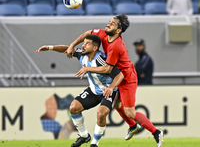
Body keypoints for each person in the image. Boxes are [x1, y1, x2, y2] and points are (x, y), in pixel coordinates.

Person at [65, 14, 164, 147]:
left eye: (112, 24)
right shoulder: (103, 34)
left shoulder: (116, 46)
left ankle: (156, 132)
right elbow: (86, 34)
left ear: (118, 31)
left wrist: (88, 69)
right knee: (117, 105)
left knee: (129, 112)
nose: (108, 24)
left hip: (126, 77)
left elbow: (106, 69)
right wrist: (72, 45)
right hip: (116, 75)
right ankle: (133, 126)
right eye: (109, 22)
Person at [36, 34, 124, 147]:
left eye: (87, 44)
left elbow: (119, 75)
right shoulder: (82, 54)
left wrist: (111, 88)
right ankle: (84, 136)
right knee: (73, 108)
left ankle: (94, 144)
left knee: (101, 114)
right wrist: (49, 47)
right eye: (84, 43)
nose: (83, 46)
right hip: (93, 91)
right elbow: (68, 49)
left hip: (107, 91)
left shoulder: (100, 59)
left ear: (95, 48)